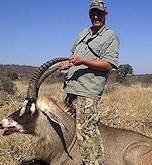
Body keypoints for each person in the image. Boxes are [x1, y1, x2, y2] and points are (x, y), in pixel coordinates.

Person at [59, 0, 119, 164]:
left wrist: (83, 61)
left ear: (106, 15)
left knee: (86, 131)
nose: (95, 16)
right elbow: (74, 57)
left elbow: (108, 64)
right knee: (70, 128)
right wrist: (67, 64)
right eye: (93, 12)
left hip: (87, 91)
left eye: (99, 13)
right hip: (71, 88)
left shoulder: (110, 36)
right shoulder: (83, 32)